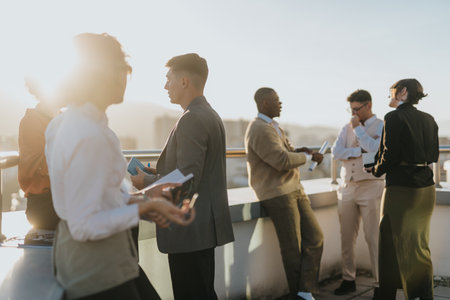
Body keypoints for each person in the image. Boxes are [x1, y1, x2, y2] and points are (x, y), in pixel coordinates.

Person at [45, 33, 194, 300]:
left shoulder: (65, 124)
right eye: (121, 66)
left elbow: (98, 199)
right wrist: (146, 207)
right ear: (98, 75)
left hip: (93, 261)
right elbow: (84, 224)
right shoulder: (90, 135)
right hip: (98, 267)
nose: (126, 74)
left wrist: (144, 200)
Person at [131, 53, 234, 299]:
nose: (165, 86)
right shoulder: (209, 114)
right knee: (203, 292)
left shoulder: (192, 119)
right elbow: (199, 168)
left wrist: (143, 182)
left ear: (184, 81)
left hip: (189, 230)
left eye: (169, 79)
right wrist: (158, 172)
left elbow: (186, 181)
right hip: (202, 228)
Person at [244, 87, 324, 300]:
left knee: (315, 238)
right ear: (263, 103)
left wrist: (300, 152)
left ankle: (304, 291)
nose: (281, 103)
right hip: (277, 194)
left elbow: (286, 154)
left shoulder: (272, 127)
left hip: (294, 189)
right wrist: (307, 159)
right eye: (276, 100)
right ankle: (302, 294)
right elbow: (280, 160)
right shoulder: (259, 129)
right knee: (292, 248)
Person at [372, 79, 439, 300]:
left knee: (390, 239)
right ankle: (423, 293)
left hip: (401, 188)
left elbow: (388, 155)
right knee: (418, 243)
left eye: (391, 91)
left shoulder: (393, 117)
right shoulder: (429, 119)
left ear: (402, 92)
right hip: (426, 188)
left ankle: (388, 293)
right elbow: (433, 156)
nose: (389, 96)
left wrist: (375, 170)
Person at [331, 89, 384, 299]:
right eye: (350, 109)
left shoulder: (381, 126)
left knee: (373, 237)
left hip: (371, 185)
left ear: (368, 105)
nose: (352, 114)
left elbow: (376, 150)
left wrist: (359, 132)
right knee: (346, 237)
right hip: (347, 187)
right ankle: (348, 279)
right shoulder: (346, 127)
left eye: (356, 109)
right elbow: (336, 153)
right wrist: (357, 152)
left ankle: (380, 283)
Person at [18, 78, 61, 230]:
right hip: (44, 204)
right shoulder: (32, 121)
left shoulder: (63, 119)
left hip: (65, 198)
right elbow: (47, 166)